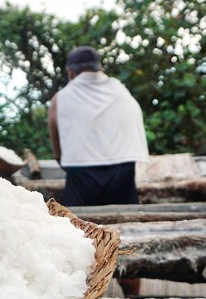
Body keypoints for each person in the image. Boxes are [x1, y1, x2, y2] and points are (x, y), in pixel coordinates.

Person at [48, 46, 149, 206]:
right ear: (100, 68)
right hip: (122, 170)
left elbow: (56, 140)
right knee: (125, 219)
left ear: (70, 72)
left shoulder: (61, 98)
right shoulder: (121, 90)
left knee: (76, 225)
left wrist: (62, 159)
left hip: (81, 172)